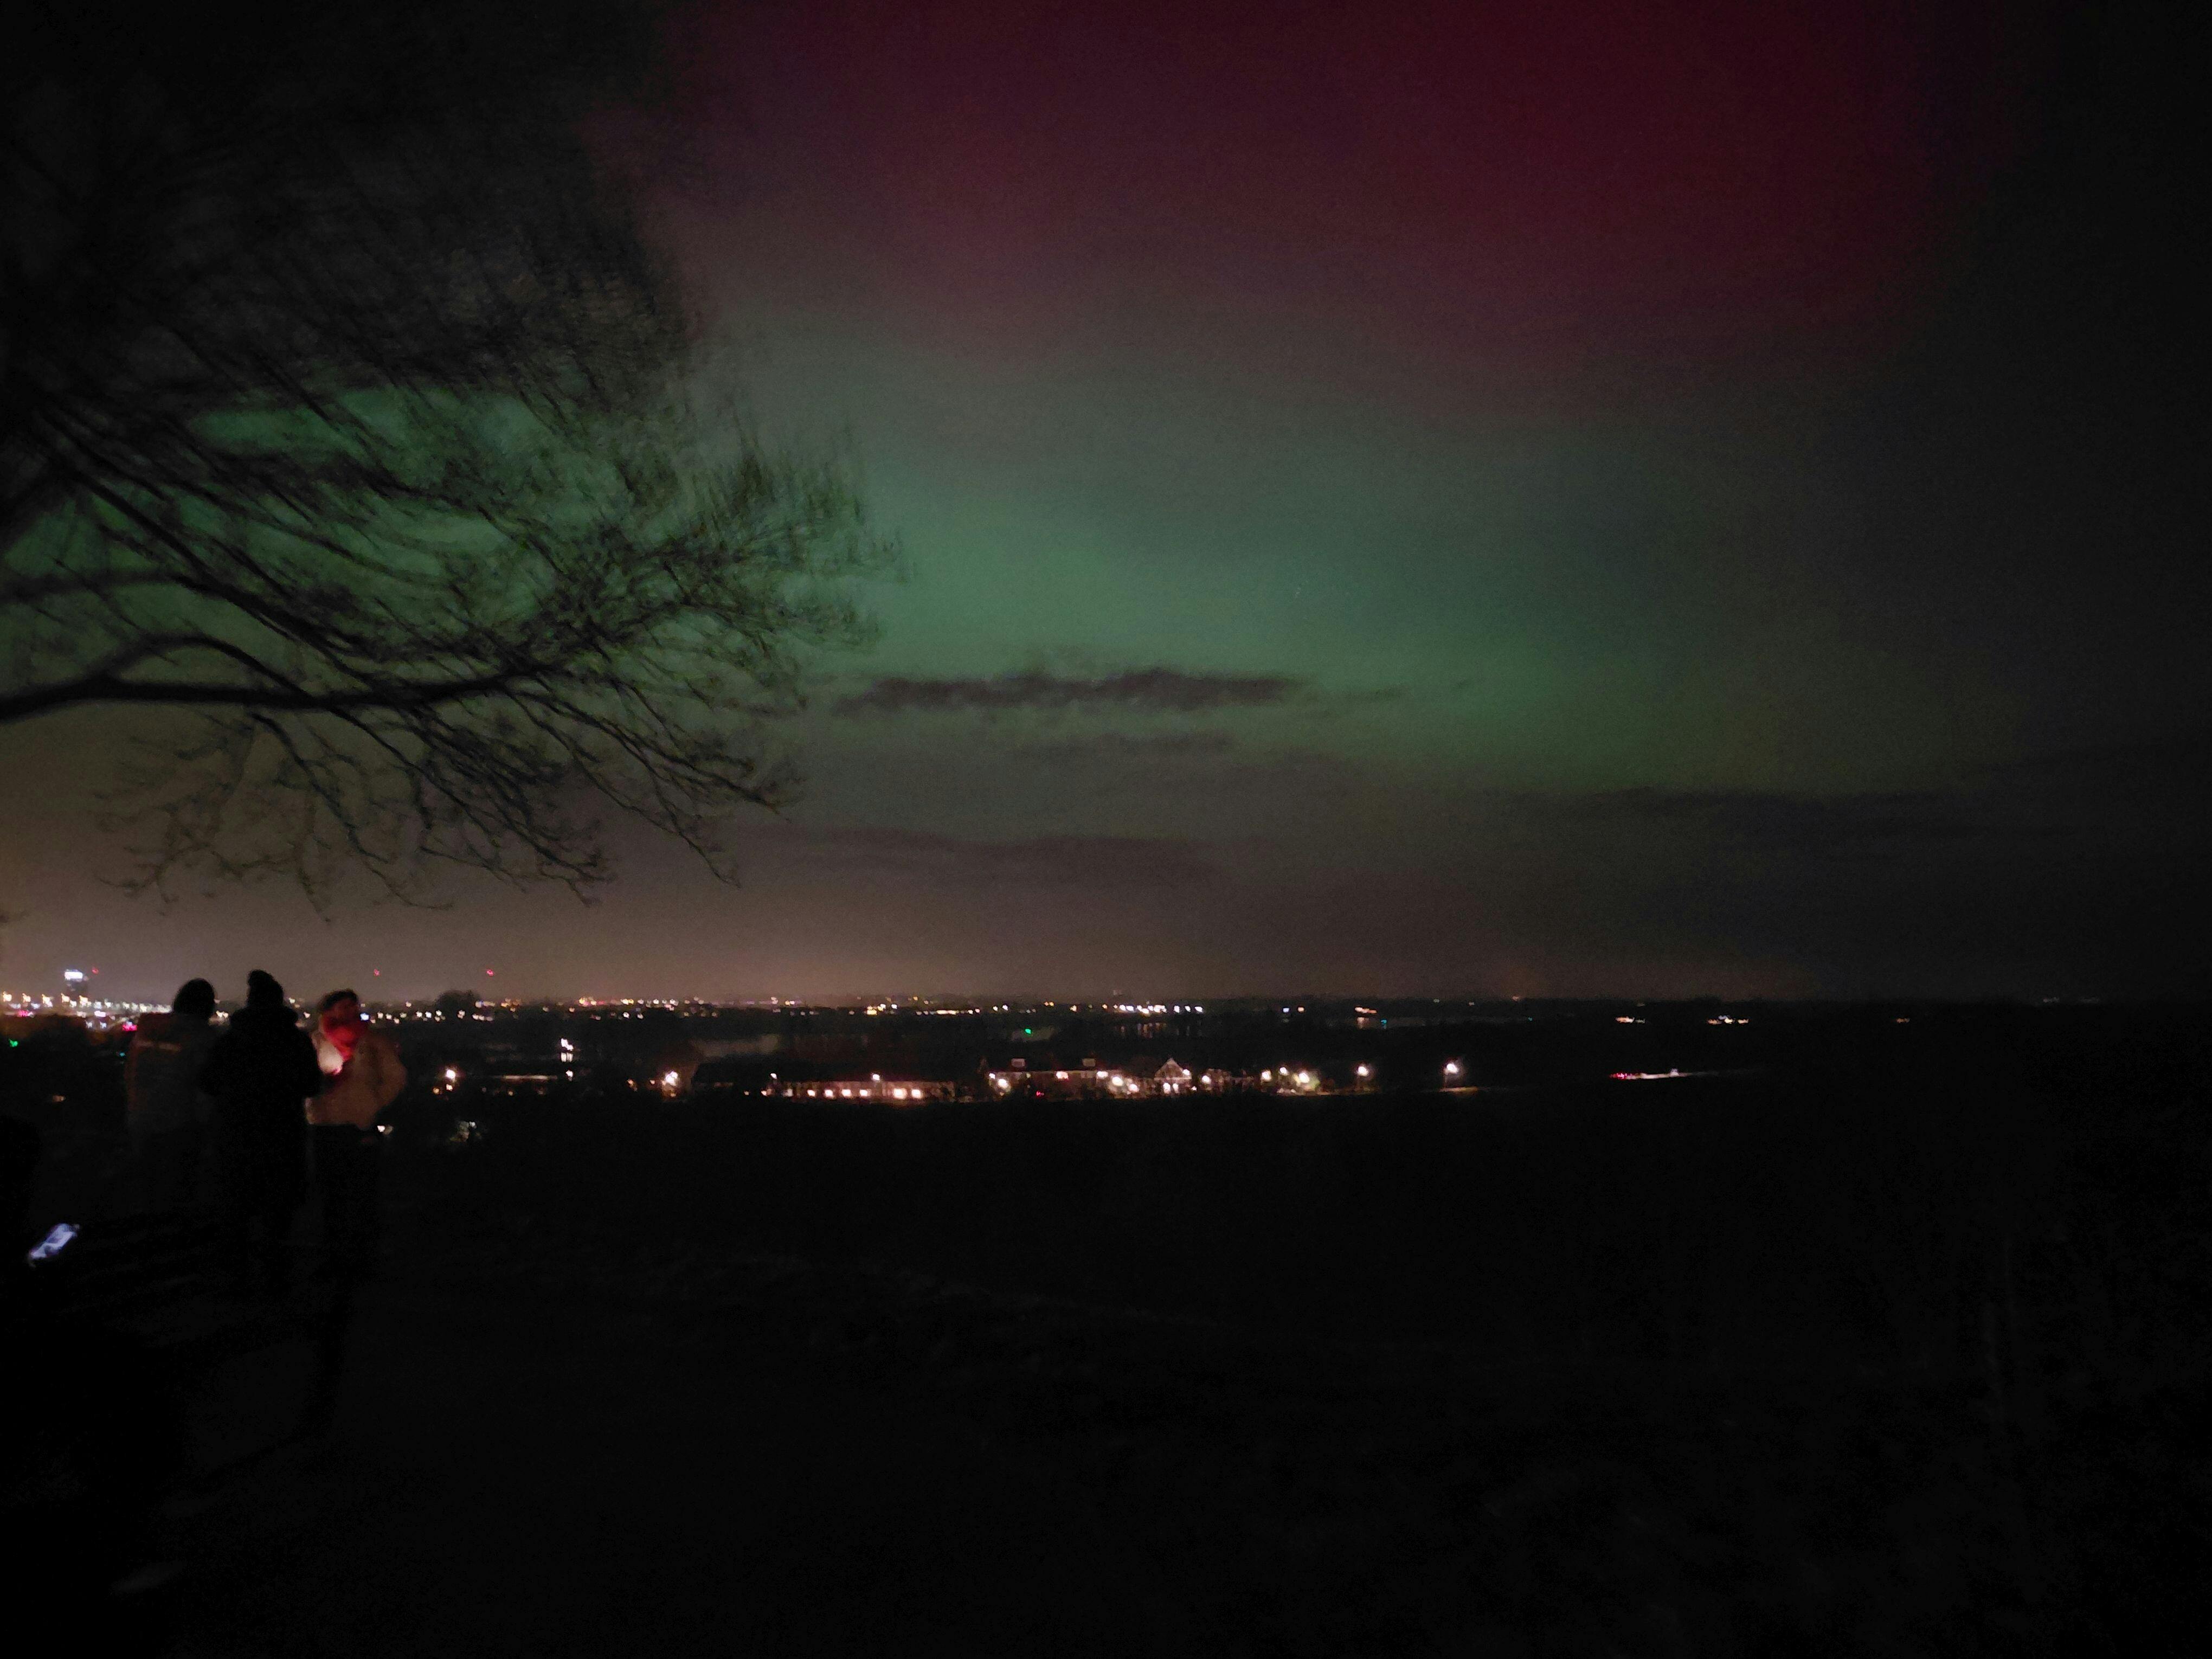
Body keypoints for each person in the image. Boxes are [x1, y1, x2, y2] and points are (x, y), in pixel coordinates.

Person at [198, 970, 321, 1295]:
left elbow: (207, 1082)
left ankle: (236, 1280)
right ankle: (275, 1280)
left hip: (236, 1135)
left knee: (236, 1214)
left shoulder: (231, 1040)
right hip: (283, 1136)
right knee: (277, 1216)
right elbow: (312, 1084)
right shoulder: (295, 1041)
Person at [308, 989, 407, 1278]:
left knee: (362, 1191)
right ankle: (335, 1253)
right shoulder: (315, 1042)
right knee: (332, 1194)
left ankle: (363, 1254)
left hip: (359, 1124)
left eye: (353, 1006)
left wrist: (372, 1102)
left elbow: (395, 1077)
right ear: (329, 1011)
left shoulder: (373, 1042)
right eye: (343, 1007)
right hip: (325, 1123)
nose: (350, 1012)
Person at [121, 978, 219, 1212]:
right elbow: (205, 1087)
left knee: (144, 1188)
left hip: (139, 1117)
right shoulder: (201, 1037)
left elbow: (130, 1072)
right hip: (179, 1125)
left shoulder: (147, 1029)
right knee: (177, 1193)